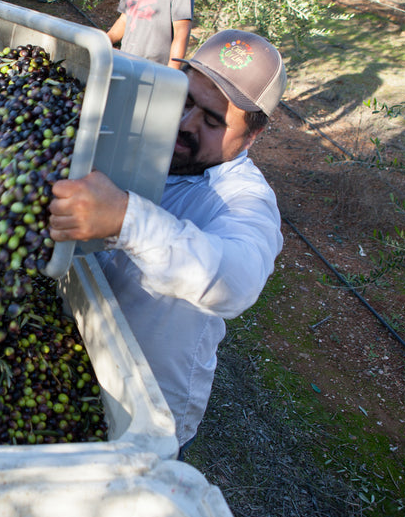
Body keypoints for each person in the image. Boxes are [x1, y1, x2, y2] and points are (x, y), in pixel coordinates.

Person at [48, 29, 286, 455]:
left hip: (146, 405)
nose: (186, 124)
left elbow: (238, 278)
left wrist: (124, 218)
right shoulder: (144, 138)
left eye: (213, 121)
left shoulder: (244, 200)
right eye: (185, 101)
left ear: (252, 136)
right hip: (73, 350)